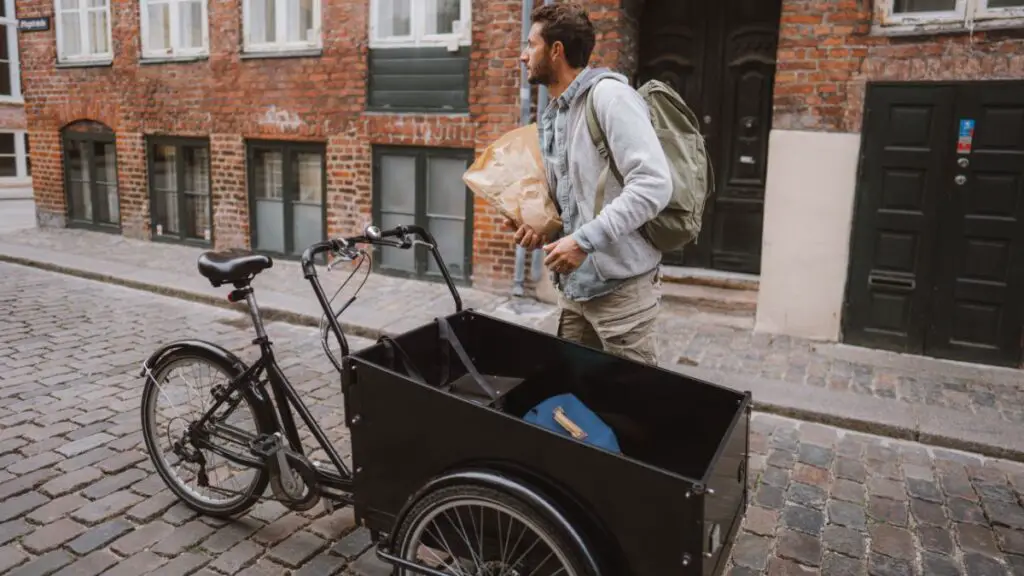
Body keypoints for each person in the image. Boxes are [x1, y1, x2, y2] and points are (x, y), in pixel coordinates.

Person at [512, 2, 673, 366]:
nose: (523, 56)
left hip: (621, 295)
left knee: (633, 404)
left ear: (556, 51)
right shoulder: (555, 112)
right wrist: (543, 228)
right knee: (574, 395)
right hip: (574, 291)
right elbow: (573, 197)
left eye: (530, 45)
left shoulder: (610, 98)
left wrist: (583, 241)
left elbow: (653, 185)